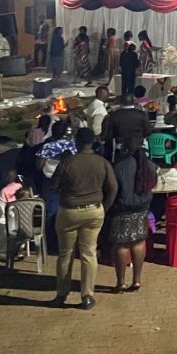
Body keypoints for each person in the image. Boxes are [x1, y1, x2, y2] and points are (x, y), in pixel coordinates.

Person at [49, 127, 117, 310]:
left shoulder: (68, 162)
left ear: (76, 142)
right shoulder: (102, 162)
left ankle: (61, 294)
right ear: (92, 142)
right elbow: (113, 187)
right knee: (89, 253)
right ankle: (87, 295)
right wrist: (104, 207)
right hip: (94, 210)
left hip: (69, 210)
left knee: (66, 254)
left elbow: (53, 187)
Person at [109, 136, 157, 293]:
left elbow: (112, 188)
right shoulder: (149, 166)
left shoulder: (118, 167)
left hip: (122, 211)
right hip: (141, 210)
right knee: (138, 242)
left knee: (121, 245)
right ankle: (137, 280)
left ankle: (121, 282)